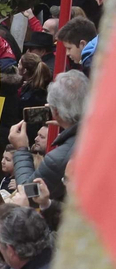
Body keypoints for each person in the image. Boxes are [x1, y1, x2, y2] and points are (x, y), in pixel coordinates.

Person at [9, 69, 86, 201]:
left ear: (55, 111)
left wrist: (21, 149)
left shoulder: (58, 159)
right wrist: (65, 121)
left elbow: (27, 194)